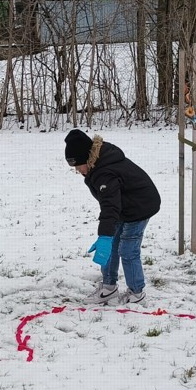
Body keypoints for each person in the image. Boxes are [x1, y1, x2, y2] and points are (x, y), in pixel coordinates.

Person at [64, 128, 161, 305]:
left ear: (86, 158)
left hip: (139, 207)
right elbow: (110, 203)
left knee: (128, 250)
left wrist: (104, 235)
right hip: (123, 206)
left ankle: (136, 293)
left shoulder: (104, 172)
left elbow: (109, 206)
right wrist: (106, 236)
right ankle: (108, 287)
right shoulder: (97, 164)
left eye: (78, 166)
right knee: (110, 246)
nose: (78, 171)